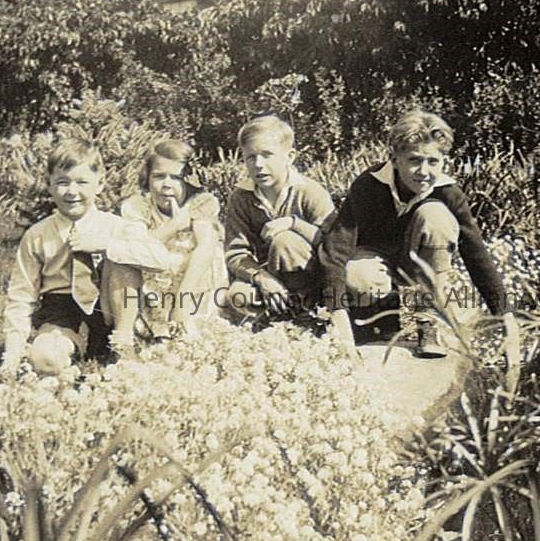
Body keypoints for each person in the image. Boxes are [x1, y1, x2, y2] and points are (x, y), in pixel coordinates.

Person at [320, 110, 508, 358]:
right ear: (395, 159)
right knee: (357, 276)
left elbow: (476, 254)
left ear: (444, 161)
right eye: (414, 160)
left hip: (419, 264)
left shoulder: (447, 193)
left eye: (433, 162)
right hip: (376, 263)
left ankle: (429, 320)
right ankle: (379, 317)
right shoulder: (369, 185)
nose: (423, 171)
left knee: (436, 215)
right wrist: (339, 317)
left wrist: (505, 315)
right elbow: (336, 250)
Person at [3, 137, 179, 374]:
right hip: (61, 309)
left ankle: (122, 347)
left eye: (82, 182)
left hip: (109, 306)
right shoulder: (38, 235)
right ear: (49, 184)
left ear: (100, 184)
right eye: (62, 182)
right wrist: (12, 353)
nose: (72, 191)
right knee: (45, 359)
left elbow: (161, 259)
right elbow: (21, 296)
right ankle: (72, 351)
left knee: (123, 256)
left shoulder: (115, 226)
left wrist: (106, 245)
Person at [223, 115, 336, 319]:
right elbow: (236, 252)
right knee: (238, 295)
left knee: (284, 240)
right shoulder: (241, 197)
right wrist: (260, 277)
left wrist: (294, 224)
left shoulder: (309, 191)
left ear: (290, 156)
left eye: (267, 155)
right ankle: (273, 317)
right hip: (268, 275)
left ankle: (307, 314)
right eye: (250, 157)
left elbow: (333, 243)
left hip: (311, 276)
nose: (258, 164)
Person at [118, 139, 227, 338]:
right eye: (159, 176)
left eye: (176, 177)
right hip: (154, 288)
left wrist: (182, 303)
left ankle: (187, 321)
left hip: (193, 286)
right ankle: (148, 329)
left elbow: (206, 248)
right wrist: (174, 226)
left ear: (188, 180)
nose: (167, 184)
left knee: (193, 337)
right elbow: (137, 247)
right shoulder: (139, 206)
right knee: (126, 255)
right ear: (147, 178)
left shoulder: (199, 203)